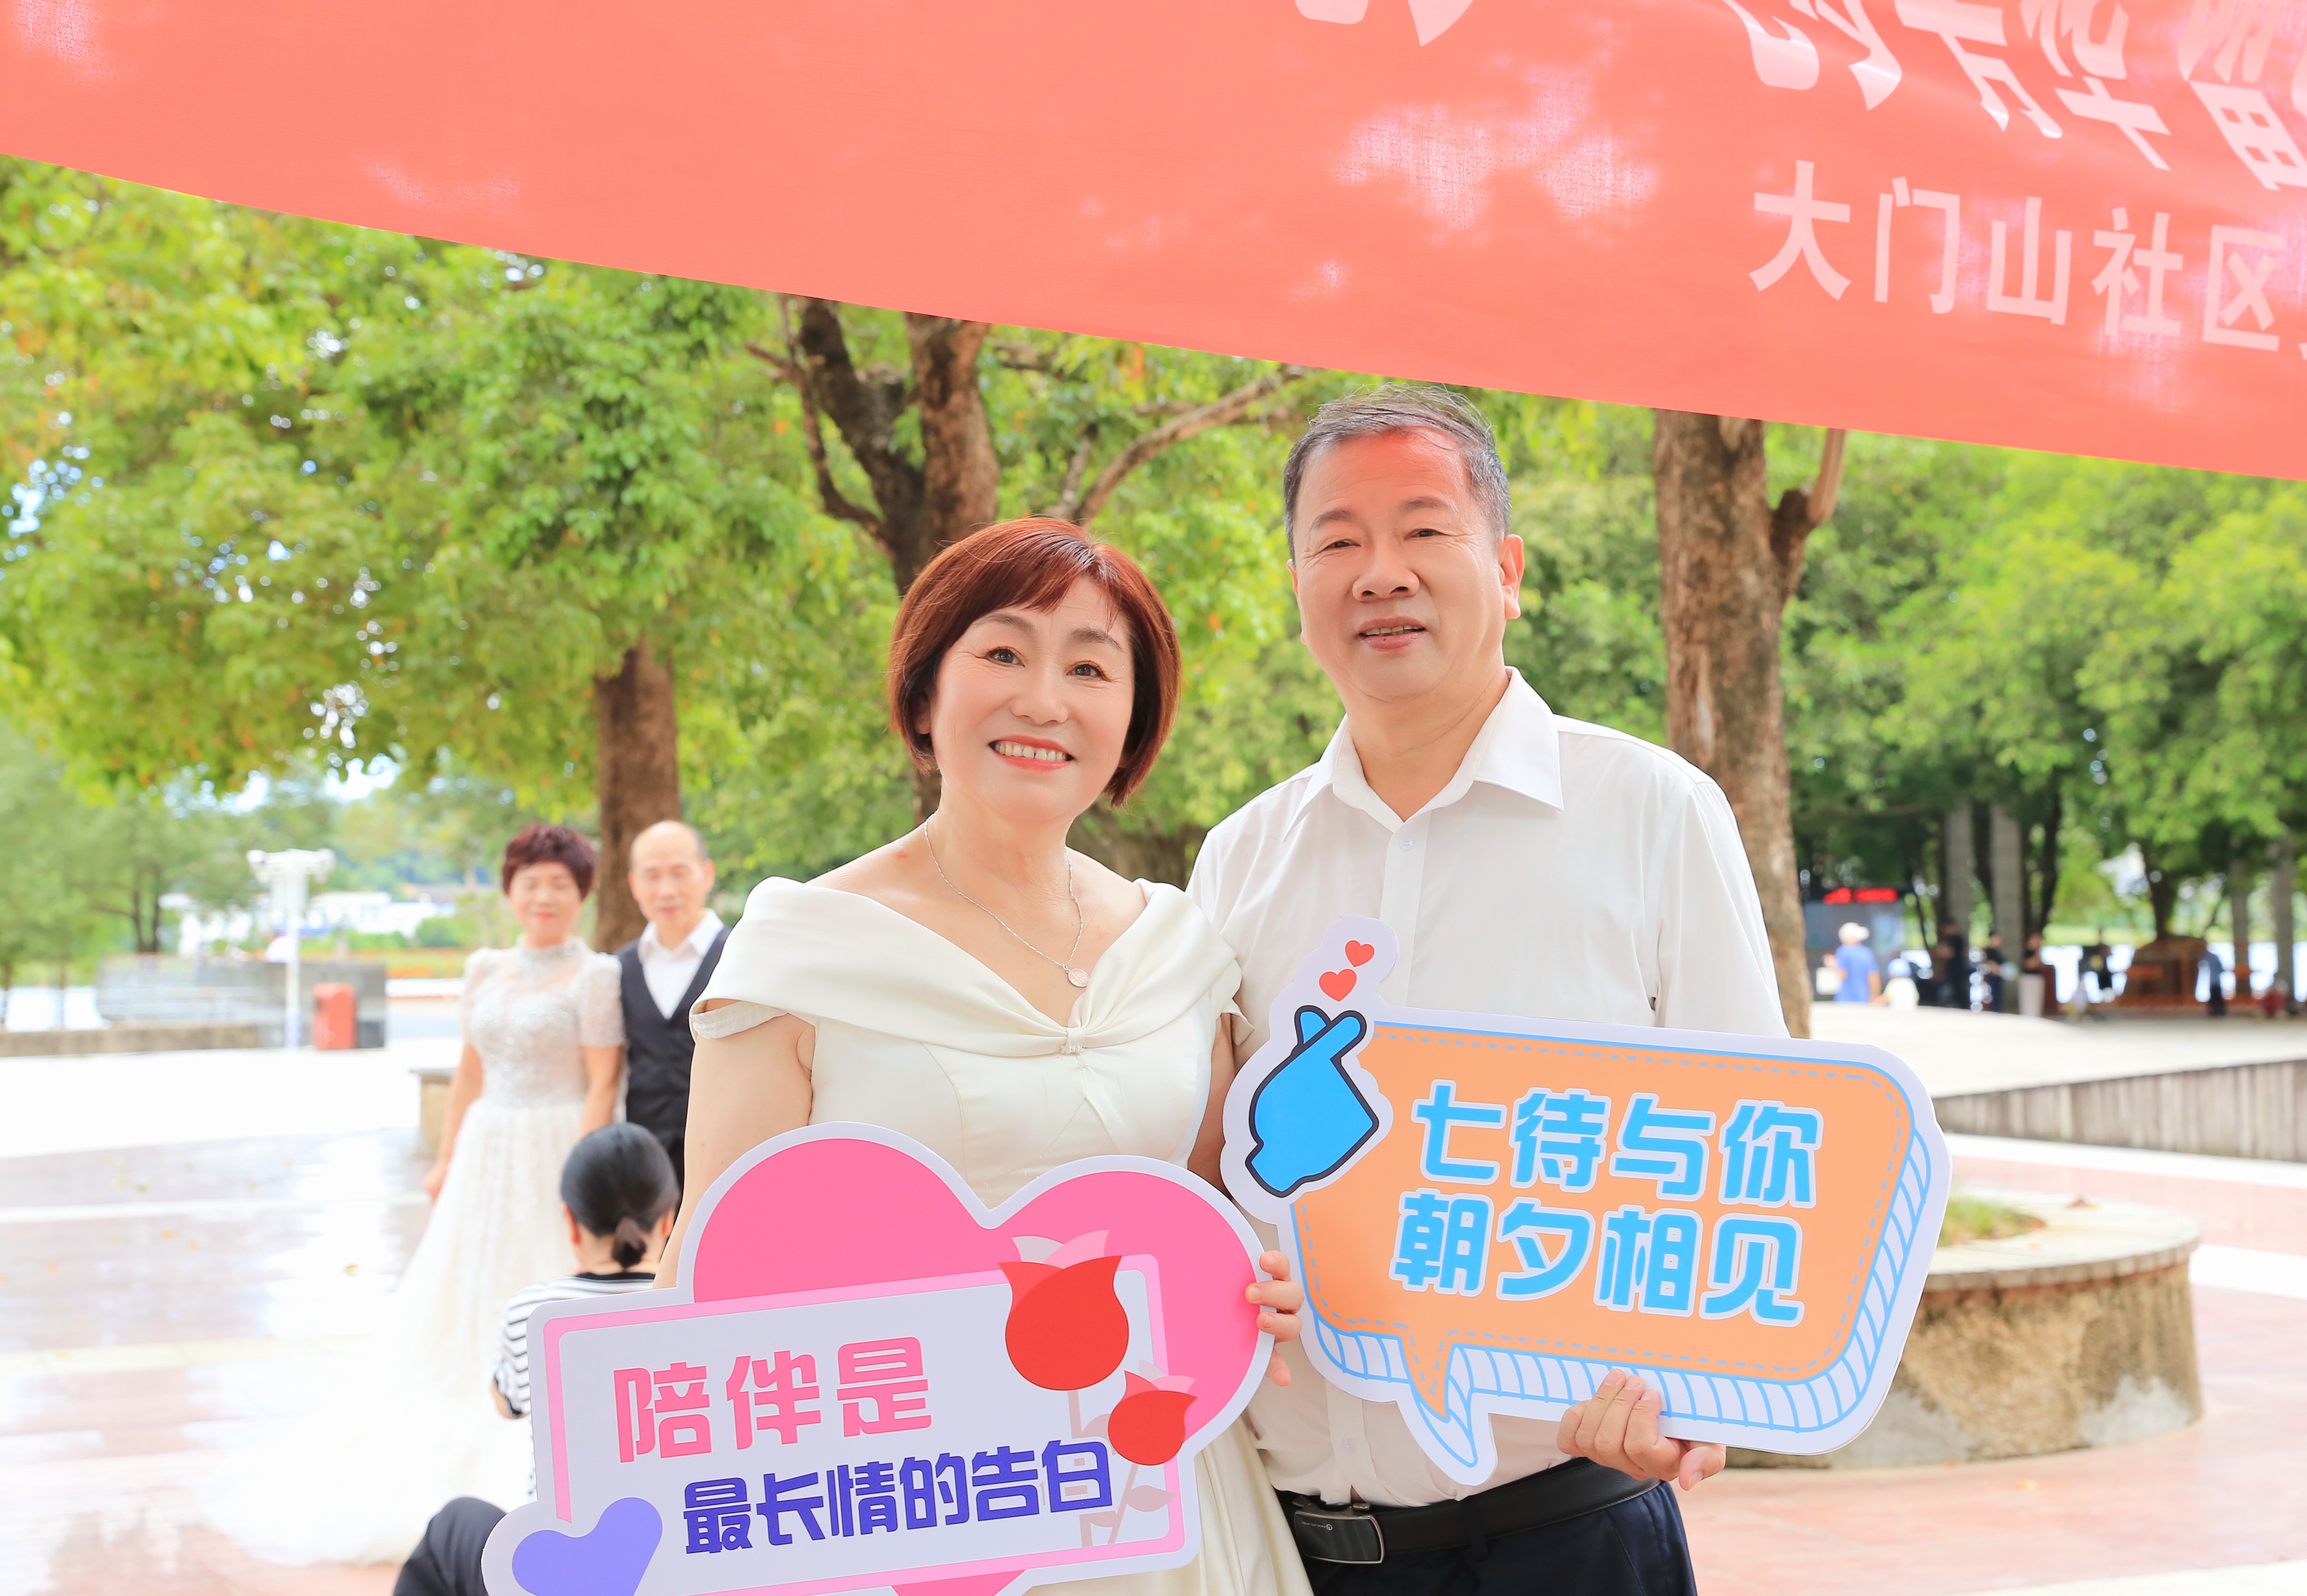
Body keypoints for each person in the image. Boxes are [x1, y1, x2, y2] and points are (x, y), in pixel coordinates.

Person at [1188, 386, 1785, 1596]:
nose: (1380, 574)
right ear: (1298, 585)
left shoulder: (1651, 812)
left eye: (1424, 530)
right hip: (1295, 1553)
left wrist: (1697, 1399)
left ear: (1505, 570)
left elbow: (1758, 1155)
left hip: (1567, 1538)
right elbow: (1208, 1182)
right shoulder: (1239, 860)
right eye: (1338, 542)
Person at [679, 518, 1314, 1596]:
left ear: (1134, 720)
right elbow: (711, 1266)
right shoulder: (804, 947)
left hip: (1159, 1500)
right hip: (905, 1499)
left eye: (1090, 668)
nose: (1043, 700)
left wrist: (1265, 1286)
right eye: (1004, 653)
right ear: (925, 691)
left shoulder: (1180, 947)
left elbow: (1213, 1212)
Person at [205, 824, 627, 1565]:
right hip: (486, 1151)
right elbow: (468, 1071)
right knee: (460, 1292)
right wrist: (446, 1158)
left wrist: (582, 1171)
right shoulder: (484, 968)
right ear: (510, 891)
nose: (544, 897)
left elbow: (603, 1080)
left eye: (560, 884)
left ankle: (537, 1427)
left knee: (541, 1281)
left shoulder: (594, 976)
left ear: (582, 895)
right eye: (531, 882)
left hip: (556, 1145)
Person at [396, 1123, 680, 1596]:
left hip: (557, 1574)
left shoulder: (536, 1314)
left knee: (451, 1524)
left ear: (570, 1220)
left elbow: (505, 1402)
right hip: (683, 1563)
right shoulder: (702, 1312)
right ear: (668, 1218)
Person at [617, 819, 729, 1191]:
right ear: (634, 884)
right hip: (643, 1160)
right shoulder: (620, 967)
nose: (666, 890)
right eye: (651, 876)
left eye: (680, 873)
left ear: (707, 874)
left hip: (724, 1151)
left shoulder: (739, 956)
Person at [1830, 922, 1883, 1004]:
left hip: (1846, 1000)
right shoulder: (1866, 953)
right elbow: (1873, 977)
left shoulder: (1843, 951)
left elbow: (1842, 975)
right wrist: (1874, 996)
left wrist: (1832, 965)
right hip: (1864, 999)